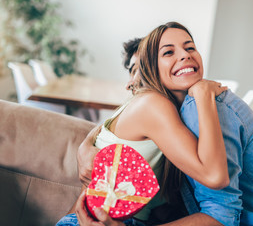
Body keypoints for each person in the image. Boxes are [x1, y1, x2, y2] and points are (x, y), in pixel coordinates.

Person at [77, 22, 253, 226]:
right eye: (168, 52)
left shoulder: (200, 107)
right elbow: (105, 130)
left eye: (190, 47)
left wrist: (202, 95)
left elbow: (218, 195)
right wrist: (84, 146)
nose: (185, 56)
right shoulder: (160, 108)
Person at [57, 28, 229, 226]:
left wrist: (85, 144)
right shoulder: (152, 104)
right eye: (133, 70)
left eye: (141, 68)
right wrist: (203, 94)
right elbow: (215, 177)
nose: (132, 82)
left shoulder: (171, 115)